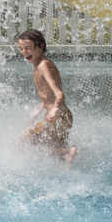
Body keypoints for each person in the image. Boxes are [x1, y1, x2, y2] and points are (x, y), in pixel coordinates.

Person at [17, 29, 77, 167]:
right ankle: (65, 161)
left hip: (58, 117)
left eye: (28, 48)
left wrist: (54, 109)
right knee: (55, 156)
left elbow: (59, 93)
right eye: (21, 48)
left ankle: (66, 152)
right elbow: (48, 94)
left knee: (24, 141)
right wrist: (38, 110)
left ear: (40, 47)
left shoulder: (43, 65)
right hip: (64, 117)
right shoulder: (41, 63)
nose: (24, 52)